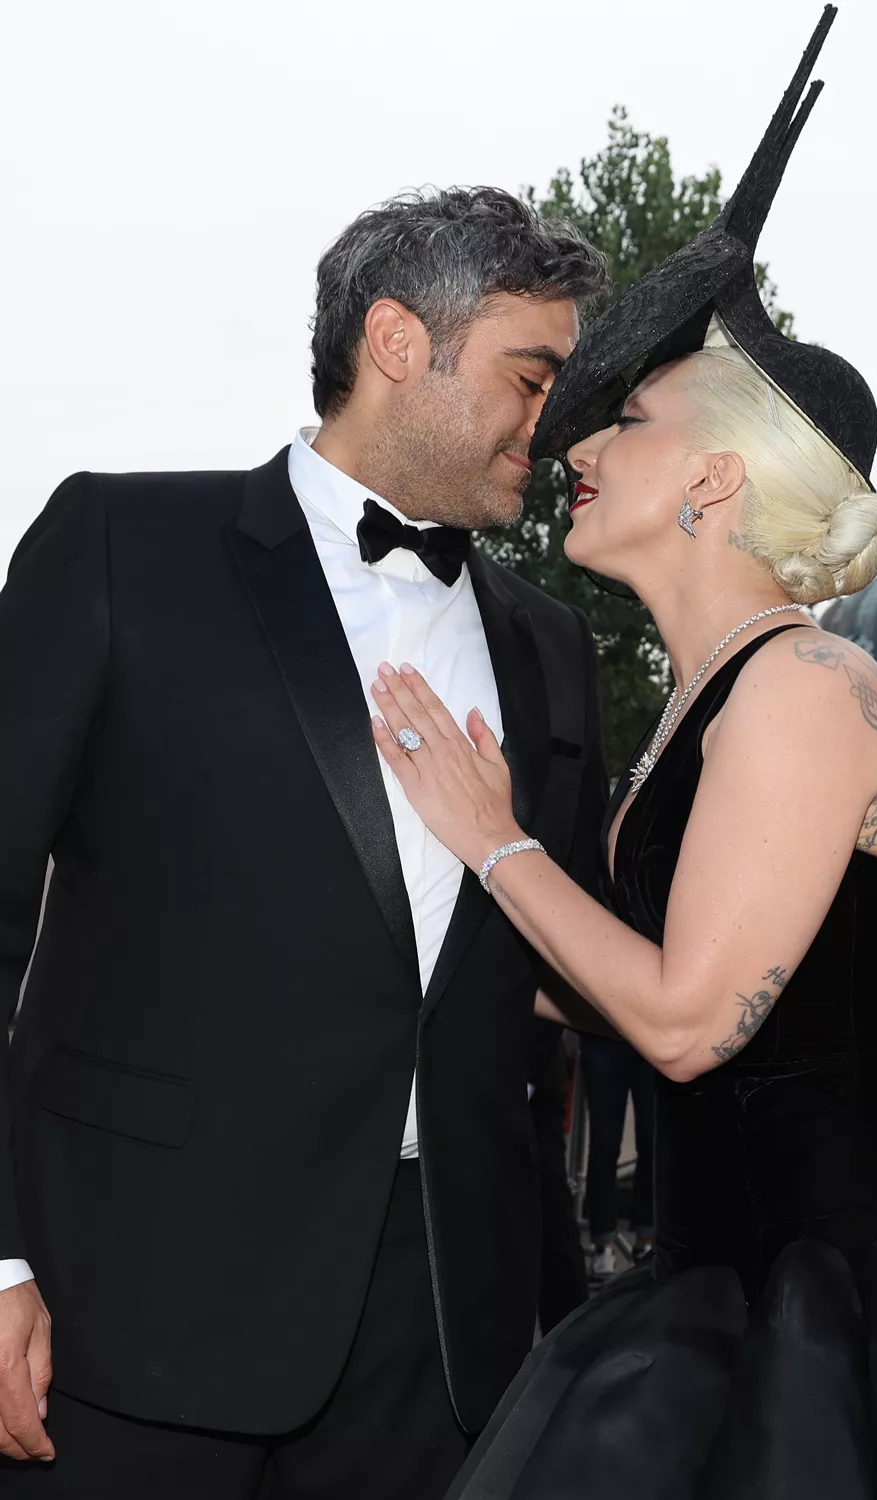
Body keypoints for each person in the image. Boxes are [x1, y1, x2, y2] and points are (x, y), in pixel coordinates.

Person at [367, 11, 877, 1495]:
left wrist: (492, 836)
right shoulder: (706, 699)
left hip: (846, 1307)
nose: (580, 447)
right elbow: (627, 980)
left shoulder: (804, 685)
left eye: (628, 420)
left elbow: (686, 1020)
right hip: (719, 1281)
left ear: (716, 476)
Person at [0, 191, 612, 1497]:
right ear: (398, 342)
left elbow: (556, 969)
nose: (552, 424)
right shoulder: (119, 547)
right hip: (129, 1305)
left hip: (439, 1331)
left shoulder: (551, 643)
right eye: (531, 377)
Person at [527, 1020, 590, 1332]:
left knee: (551, 1217)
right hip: (481, 1079)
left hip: (528, 1076)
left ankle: (570, 1340)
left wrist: (526, 1079)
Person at [578, 1032, 655, 1278]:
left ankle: (646, 1240)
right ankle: (604, 1246)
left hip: (651, 1036)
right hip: (603, 1034)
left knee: (652, 1142)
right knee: (604, 1143)